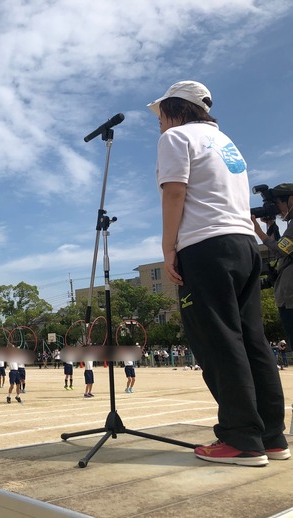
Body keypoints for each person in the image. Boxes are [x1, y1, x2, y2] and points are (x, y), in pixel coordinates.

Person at [149, 80, 287, 466]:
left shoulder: (176, 139)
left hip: (205, 246)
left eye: (161, 113)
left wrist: (168, 246)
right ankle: (271, 436)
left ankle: (241, 439)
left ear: (176, 109)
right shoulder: (226, 143)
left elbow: (174, 192)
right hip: (243, 244)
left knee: (217, 340)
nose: (158, 121)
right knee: (252, 340)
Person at [252, 183, 293, 356]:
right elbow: (284, 251)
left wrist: (258, 231)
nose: (278, 210)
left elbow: (282, 249)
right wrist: (271, 226)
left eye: (278, 204)